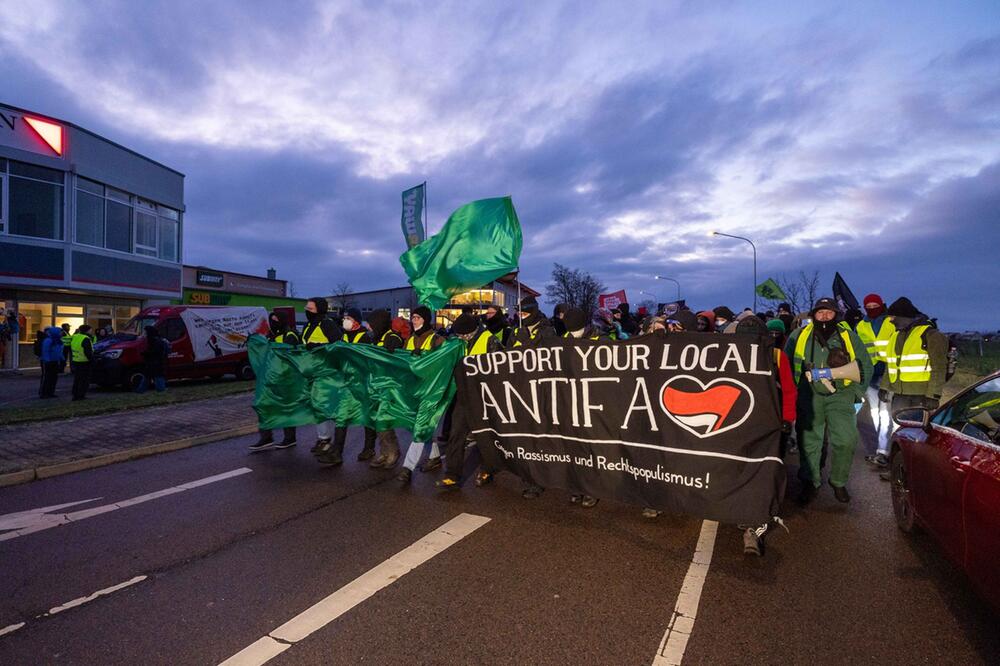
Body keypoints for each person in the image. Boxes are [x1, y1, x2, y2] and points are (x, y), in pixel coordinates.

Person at [785, 298, 872, 504]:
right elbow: (786, 365)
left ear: (836, 315)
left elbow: (865, 366)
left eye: (829, 312)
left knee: (846, 440)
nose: (824, 316)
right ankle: (810, 482)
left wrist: (856, 393)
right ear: (813, 314)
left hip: (841, 395)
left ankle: (838, 481)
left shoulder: (848, 337)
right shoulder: (798, 336)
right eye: (820, 312)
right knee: (809, 442)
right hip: (808, 395)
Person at [728, 316, 796, 556]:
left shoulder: (777, 356)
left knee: (764, 473)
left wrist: (788, 420)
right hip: (738, 424)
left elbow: (788, 389)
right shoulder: (728, 355)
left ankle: (754, 526)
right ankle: (742, 511)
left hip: (768, 424)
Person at [435, 313, 504, 492]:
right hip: (464, 396)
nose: (459, 338)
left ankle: (488, 469)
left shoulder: (490, 341)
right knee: (456, 434)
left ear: (470, 331)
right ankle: (452, 475)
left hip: (484, 397)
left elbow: (500, 369)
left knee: (486, 437)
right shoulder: (460, 342)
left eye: (462, 335)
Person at [877, 297, 949, 459]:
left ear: (902, 316)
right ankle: (899, 465)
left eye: (892, 317)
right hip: (899, 394)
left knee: (918, 434)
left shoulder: (930, 335)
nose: (890, 321)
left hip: (921, 395)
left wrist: (933, 395)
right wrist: (884, 387)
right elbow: (891, 365)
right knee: (901, 432)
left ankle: (916, 467)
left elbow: (939, 368)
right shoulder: (896, 336)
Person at [319, 306, 378, 464]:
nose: (345, 321)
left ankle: (369, 447)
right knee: (341, 416)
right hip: (346, 384)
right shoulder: (343, 337)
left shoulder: (364, 338)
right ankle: (337, 452)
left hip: (362, 384)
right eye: (345, 318)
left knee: (367, 416)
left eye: (349, 319)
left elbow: (367, 361)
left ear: (356, 322)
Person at [398, 306, 446, 485]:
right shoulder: (410, 339)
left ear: (425, 320)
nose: (414, 321)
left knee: (420, 427)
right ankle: (434, 457)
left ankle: (407, 468)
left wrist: (425, 359)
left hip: (431, 392)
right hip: (414, 391)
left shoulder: (437, 340)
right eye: (413, 318)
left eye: (417, 318)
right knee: (418, 426)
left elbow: (443, 364)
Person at [563, 307, 605, 508]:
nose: (573, 334)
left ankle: (592, 489)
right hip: (570, 401)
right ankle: (576, 487)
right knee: (573, 447)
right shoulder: (562, 339)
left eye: (576, 330)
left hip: (594, 402)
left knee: (592, 449)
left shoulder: (602, 341)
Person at [301, 297, 345, 461]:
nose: (307, 310)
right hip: (313, 373)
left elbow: (338, 346)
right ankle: (323, 439)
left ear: (319, 309)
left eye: (310, 308)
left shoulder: (327, 324)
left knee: (328, 408)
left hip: (329, 374)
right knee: (317, 408)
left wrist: (319, 347)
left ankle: (334, 445)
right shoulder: (307, 326)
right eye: (306, 307)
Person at [249, 311, 300, 452]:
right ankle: (266, 437)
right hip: (271, 378)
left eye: (276, 319)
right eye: (271, 319)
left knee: (286, 408)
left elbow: (290, 354)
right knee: (263, 405)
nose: (273, 322)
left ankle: (290, 438)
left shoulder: (291, 335)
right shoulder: (271, 336)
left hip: (286, 378)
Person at [855, 294, 896, 467]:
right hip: (870, 375)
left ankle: (884, 451)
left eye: (875, 305)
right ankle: (882, 448)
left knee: (886, 413)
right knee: (875, 413)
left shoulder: (891, 322)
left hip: (889, 373)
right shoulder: (861, 325)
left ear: (881, 305)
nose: (871, 308)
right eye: (868, 305)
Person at [367, 309, 404, 469]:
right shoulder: (379, 338)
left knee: (385, 419)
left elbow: (394, 362)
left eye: (371, 325)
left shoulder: (392, 338)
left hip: (389, 386)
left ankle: (393, 451)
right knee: (378, 420)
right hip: (376, 384)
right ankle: (384, 451)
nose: (369, 328)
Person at [136, 326, 169, 393]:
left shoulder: (155, 341)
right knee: (148, 377)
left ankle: (160, 390)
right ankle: (140, 390)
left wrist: (145, 353)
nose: (144, 333)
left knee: (156, 377)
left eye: (145, 332)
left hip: (155, 363)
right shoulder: (153, 340)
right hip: (153, 363)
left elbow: (155, 352)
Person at [69, 324, 95, 401]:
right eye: (91, 330)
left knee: (77, 379)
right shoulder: (86, 338)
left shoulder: (75, 336)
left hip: (76, 360)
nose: (91, 331)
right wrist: (92, 360)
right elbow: (88, 352)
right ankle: (81, 395)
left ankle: (75, 394)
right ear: (87, 330)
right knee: (84, 380)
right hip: (84, 362)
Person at [38, 326, 64, 398]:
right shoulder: (48, 340)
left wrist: (61, 358)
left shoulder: (58, 340)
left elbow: (59, 351)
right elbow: (45, 351)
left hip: (55, 361)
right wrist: (47, 360)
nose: (62, 333)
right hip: (48, 362)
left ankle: (50, 392)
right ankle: (44, 393)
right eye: (60, 332)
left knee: (53, 378)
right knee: (47, 377)